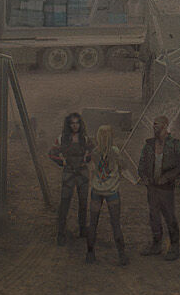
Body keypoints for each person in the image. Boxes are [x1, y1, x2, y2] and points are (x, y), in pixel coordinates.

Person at [138, 115, 180, 260]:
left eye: (158, 124)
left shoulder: (175, 144)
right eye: (153, 124)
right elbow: (141, 164)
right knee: (154, 216)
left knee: (169, 217)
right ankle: (156, 245)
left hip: (166, 188)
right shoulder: (149, 145)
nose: (155, 126)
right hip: (152, 188)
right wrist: (144, 178)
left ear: (166, 125)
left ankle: (174, 247)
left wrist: (168, 177)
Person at [85, 123, 135, 265]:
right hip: (112, 191)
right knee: (115, 223)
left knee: (93, 223)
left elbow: (92, 169)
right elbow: (124, 166)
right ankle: (121, 255)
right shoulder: (115, 151)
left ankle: (90, 253)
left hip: (96, 190)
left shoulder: (94, 152)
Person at [48, 112, 92, 246]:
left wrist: (87, 158)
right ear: (68, 124)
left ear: (80, 124)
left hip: (82, 173)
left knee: (83, 202)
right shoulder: (62, 138)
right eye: (72, 123)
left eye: (77, 123)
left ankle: (83, 230)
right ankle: (61, 233)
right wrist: (62, 162)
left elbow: (93, 151)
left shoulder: (85, 138)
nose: (75, 126)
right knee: (65, 202)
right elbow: (52, 153)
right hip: (68, 173)